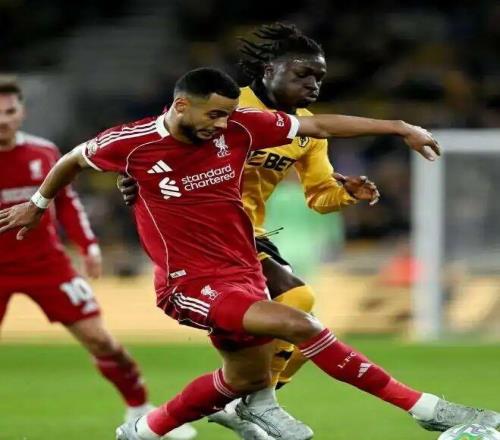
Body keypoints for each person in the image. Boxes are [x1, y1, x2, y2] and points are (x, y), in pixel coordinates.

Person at [1, 68, 498, 440]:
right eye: (213, 114)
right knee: (299, 323)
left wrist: (398, 127)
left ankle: (143, 431)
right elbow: (72, 159)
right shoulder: (130, 143)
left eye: (228, 113)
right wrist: (38, 205)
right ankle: (424, 409)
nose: (222, 123)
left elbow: (318, 127)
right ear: (181, 105)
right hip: (188, 283)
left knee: (242, 379)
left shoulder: (240, 127)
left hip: (243, 271)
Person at [116, 22, 382, 440]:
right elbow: (159, 140)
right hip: (198, 231)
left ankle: (246, 401)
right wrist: (132, 177)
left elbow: (319, 197)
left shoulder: (307, 131)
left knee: (299, 320)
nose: (312, 85)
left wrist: (347, 193)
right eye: (303, 74)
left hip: (248, 233)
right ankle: (251, 403)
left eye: (319, 77)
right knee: (298, 302)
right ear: (270, 69)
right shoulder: (225, 104)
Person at [0, 77, 196, 440]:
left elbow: (65, 201)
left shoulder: (43, 152)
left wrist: (88, 245)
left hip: (46, 265)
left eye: (10, 111)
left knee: (101, 341)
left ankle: (140, 410)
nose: (3, 120)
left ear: (22, 112)